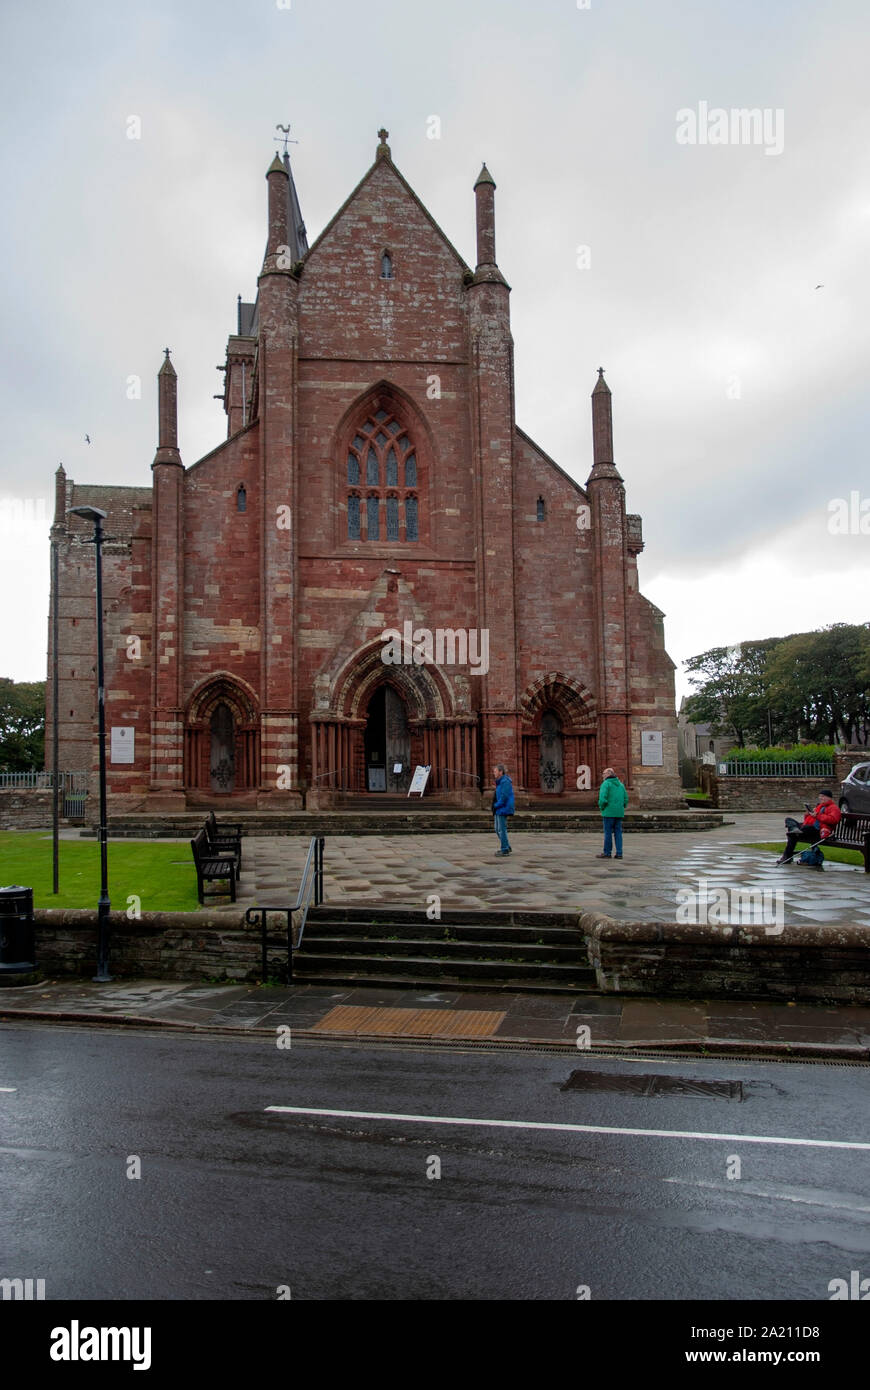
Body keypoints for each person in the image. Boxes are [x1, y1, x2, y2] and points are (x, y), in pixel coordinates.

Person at [776, 790, 841, 864]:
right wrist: (808, 814)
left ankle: (787, 857)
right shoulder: (820, 806)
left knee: (793, 834)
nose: (820, 798)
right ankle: (796, 831)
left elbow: (833, 820)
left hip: (818, 830)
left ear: (829, 798)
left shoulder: (833, 808)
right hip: (809, 827)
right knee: (789, 820)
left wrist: (817, 815)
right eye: (820, 796)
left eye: (823, 796)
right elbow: (809, 820)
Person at [597, 766, 628, 859]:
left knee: (608, 833)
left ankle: (607, 852)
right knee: (618, 833)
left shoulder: (606, 784)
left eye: (604, 773)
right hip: (619, 812)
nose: (602, 775)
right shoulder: (621, 785)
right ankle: (619, 853)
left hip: (608, 812)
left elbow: (602, 798)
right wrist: (622, 807)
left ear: (608, 774)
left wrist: (602, 807)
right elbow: (626, 798)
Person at [492, 763, 514, 856]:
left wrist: (496, 805)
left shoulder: (505, 781)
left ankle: (504, 849)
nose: (494, 773)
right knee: (497, 829)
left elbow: (504, 796)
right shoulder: (500, 781)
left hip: (503, 808)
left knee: (501, 829)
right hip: (499, 808)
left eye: (495, 771)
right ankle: (507, 846)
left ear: (501, 772)